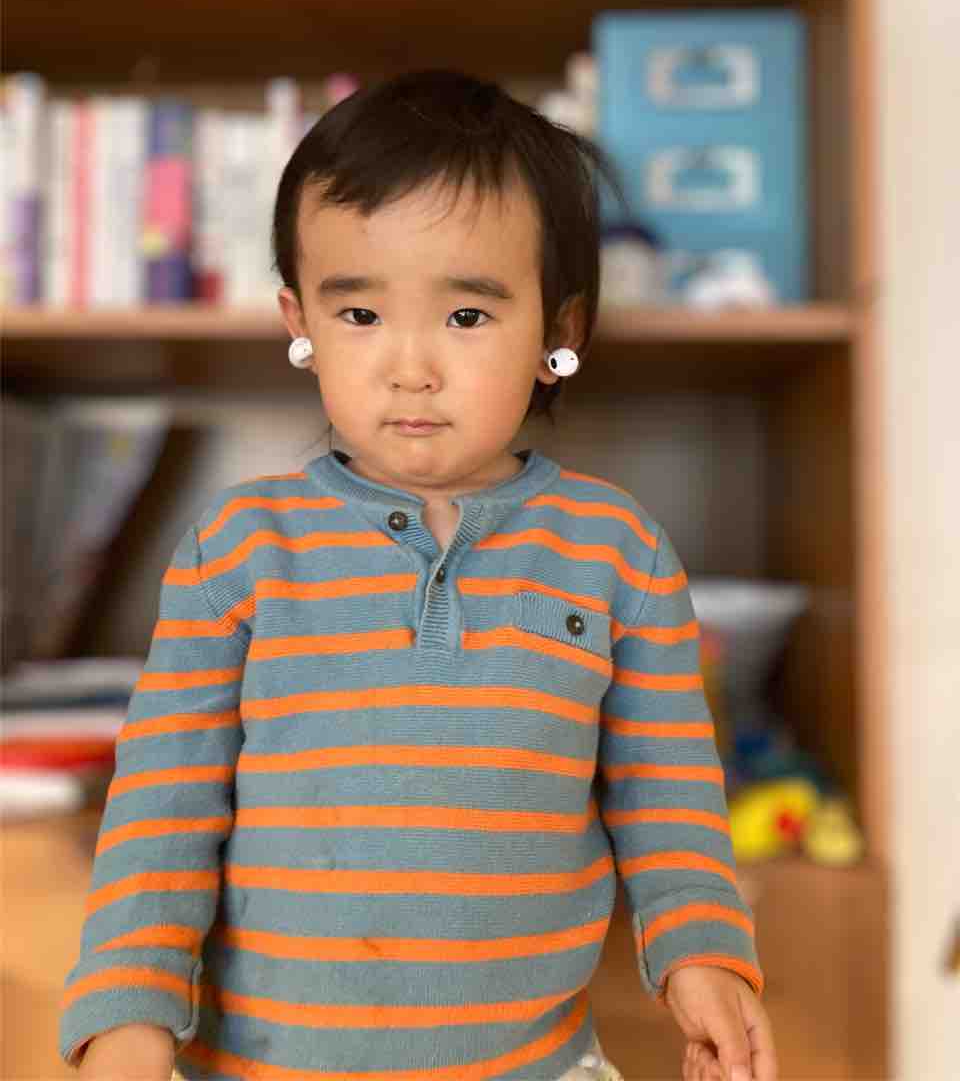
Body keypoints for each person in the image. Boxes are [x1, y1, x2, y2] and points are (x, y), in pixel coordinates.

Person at [60, 70, 777, 1081]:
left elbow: (669, 794)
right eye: (359, 313)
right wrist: (128, 1010)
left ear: (559, 332)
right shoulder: (240, 548)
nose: (410, 366)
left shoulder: (619, 551)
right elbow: (161, 807)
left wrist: (703, 951)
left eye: (467, 317)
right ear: (298, 320)